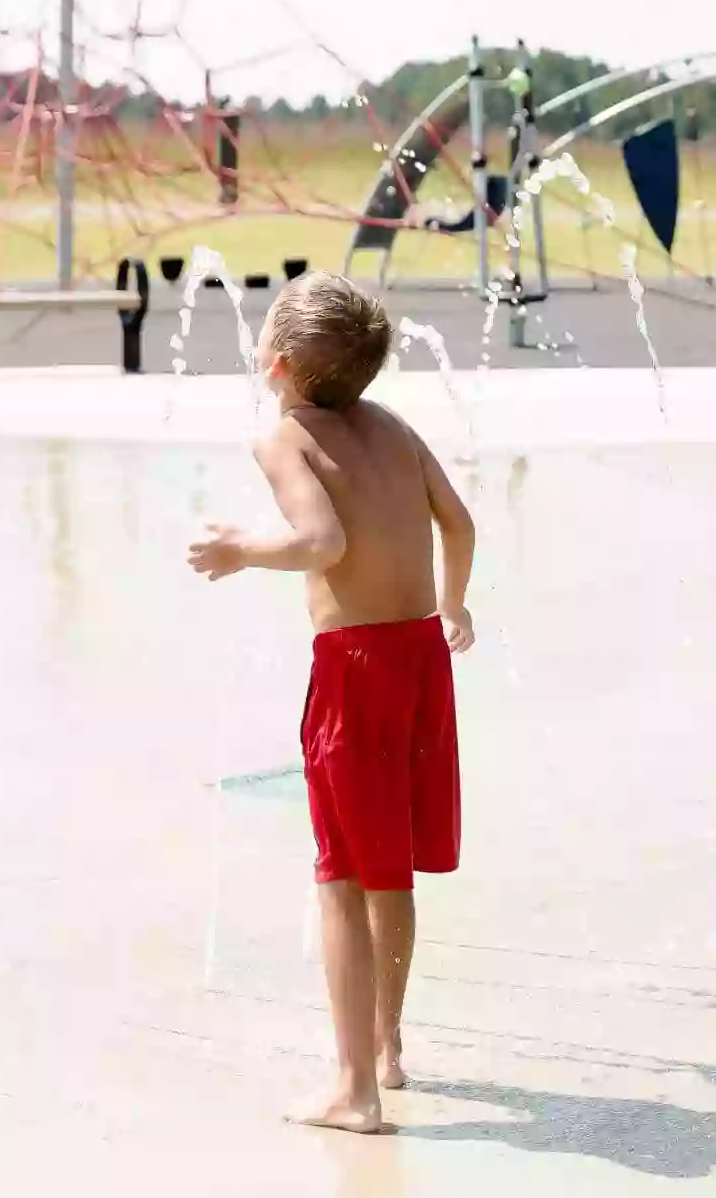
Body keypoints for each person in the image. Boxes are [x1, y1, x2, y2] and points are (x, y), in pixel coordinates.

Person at [187, 272, 477, 1133]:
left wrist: (241, 548)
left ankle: (355, 1092)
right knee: (393, 871)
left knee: (343, 876)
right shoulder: (395, 427)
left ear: (273, 361)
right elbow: (457, 525)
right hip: (423, 657)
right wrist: (455, 604)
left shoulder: (284, 438)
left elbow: (321, 541)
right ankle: (386, 1045)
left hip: (355, 668)